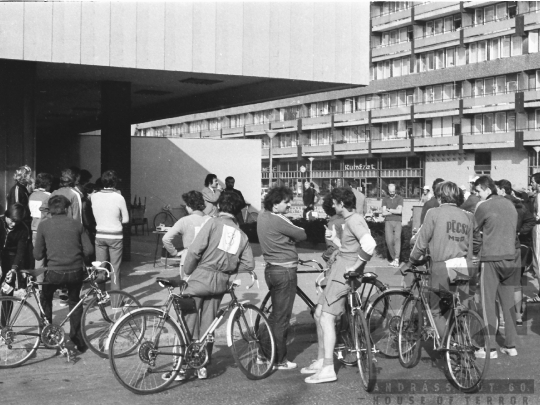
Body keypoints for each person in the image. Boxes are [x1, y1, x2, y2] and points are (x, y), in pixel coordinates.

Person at [166, 191, 254, 381]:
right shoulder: (241, 235)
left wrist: (188, 272)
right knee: (208, 325)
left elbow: (195, 250)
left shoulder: (212, 223)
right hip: (220, 284)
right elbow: (249, 263)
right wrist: (228, 270)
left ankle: (180, 367)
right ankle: (202, 366)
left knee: (187, 321)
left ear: (220, 206)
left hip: (199, 279)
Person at [303, 187, 376, 383]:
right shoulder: (351, 220)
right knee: (319, 313)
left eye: (334, 202)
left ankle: (328, 368)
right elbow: (351, 246)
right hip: (339, 268)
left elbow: (369, 244)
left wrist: (356, 265)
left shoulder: (354, 220)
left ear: (341, 203)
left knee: (326, 317)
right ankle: (321, 360)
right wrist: (335, 240)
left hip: (344, 272)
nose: (332, 205)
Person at [406, 181, 474, 337]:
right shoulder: (468, 216)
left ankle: (448, 344)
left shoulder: (433, 213)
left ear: (439, 197)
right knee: (458, 308)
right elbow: (471, 246)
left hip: (441, 266)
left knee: (435, 309)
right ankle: (462, 342)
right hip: (461, 265)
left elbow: (420, 244)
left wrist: (411, 261)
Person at [34, 195, 94, 353]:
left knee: (45, 297)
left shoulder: (44, 225)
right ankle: (78, 339)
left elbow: (37, 255)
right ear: (67, 209)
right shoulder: (77, 224)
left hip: (54, 272)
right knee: (75, 301)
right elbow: (89, 250)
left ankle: (47, 336)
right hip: (75, 271)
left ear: (50, 210)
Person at [257, 186, 307, 370]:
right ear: (275, 204)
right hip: (285, 272)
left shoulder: (262, 216)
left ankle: (264, 354)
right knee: (282, 318)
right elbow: (301, 233)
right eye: (286, 202)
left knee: (275, 315)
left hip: (271, 270)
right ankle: (279, 359)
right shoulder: (278, 219)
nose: (289, 205)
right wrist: (291, 239)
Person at [473, 175, 519, 358]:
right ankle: (511, 345)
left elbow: (473, 231)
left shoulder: (484, 206)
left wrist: (477, 251)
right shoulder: (510, 204)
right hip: (511, 257)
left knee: (487, 303)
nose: (477, 195)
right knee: (508, 305)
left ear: (486, 189)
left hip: (491, 258)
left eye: (478, 191)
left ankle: (489, 348)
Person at [497, 179, 535, 322]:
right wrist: (519, 231)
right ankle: (518, 317)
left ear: (501, 190)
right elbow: (531, 220)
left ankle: (502, 318)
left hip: (502, 246)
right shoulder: (519, 204)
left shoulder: (499, 204)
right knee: (517, 283)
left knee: (501, 282)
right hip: (517, 245)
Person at [90, 170, 129, 291]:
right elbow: (126, 220)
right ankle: (116, 301)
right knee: (115, 269)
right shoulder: (119, 197)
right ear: (115, 182)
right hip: (115, 236)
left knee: (100, 268)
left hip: (100, 235)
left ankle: (100, 297)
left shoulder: (94, 196)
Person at [162, 191, 210, 278]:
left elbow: (166, 238)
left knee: (186, 288)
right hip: (207, 260)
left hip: (188, 259)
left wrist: (174, 253)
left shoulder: (184, 221)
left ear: (189, 206)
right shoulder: (211, 220)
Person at [0, 204, 31, 295]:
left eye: (16, 222)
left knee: (7, 290)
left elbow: (20, 251)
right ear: (7, 215)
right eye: (12, 220)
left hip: (11, 257)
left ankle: (6, 308)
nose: (13, 224)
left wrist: (13, 269)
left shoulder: (23, 229)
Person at [29, 173, 53, 272]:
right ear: (48, 184)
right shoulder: (49, 196)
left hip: (34, 229)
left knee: (38, 259)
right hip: (46, 230)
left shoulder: (31, 195)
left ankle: (39, 286)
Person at [381, 184, 403, 267]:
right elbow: (383, 213)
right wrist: (394, 211)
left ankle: (397, 259)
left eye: (393, 191)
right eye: (390, 192)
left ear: (395, 190)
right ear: (388, 191)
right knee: (389, 241)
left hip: (398, 221)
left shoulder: (400, 198)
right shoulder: (385, 199)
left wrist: (389, 210)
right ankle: (394, 258)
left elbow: (399, 211)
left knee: (397, 239)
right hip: (388, 221)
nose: (392, 193)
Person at [321, 193, 344, 263]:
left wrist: (325, 255)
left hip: (338, 262)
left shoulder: (332, 224)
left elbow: (333, 247)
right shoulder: (348, 220)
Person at [529, 173, 540, 302]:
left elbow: (538, 216)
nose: (531, 184)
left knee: (537, 260)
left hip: (538, 229)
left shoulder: (538, 197)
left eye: (532, 181)